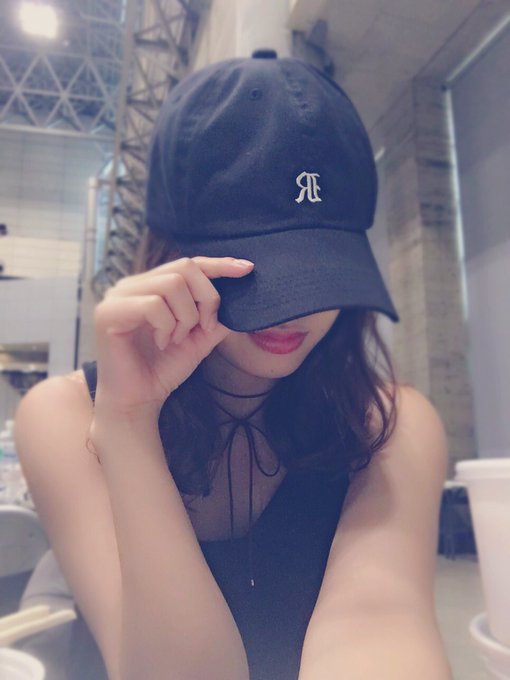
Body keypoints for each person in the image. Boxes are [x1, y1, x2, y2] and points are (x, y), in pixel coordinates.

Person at [13, 50, 453, 680]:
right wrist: (129, 424)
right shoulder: (62, 416)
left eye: (319, 271)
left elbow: (379, 628)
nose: (295, 310)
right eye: (252, 273)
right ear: (167, 257)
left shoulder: (390, 424)